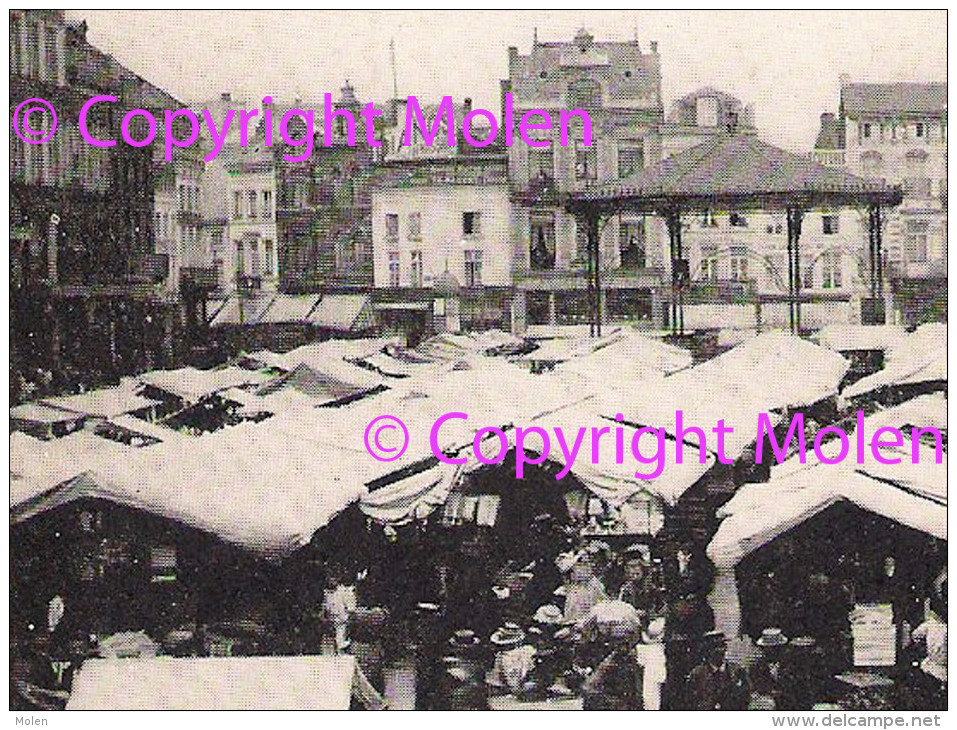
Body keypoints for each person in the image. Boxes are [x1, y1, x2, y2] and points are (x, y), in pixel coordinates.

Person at [686, 631, 750, 710]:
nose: (720, 650)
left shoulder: (737, 671)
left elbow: (746, 697)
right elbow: (692, 702)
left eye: (722, 646)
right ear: (708, 650)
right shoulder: (697, 674)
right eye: (715, 647)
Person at [635, 617, 668, 710]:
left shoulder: (641, 649)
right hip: (657, 675)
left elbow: (639, 663)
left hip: (649, 676)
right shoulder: (661, 648)